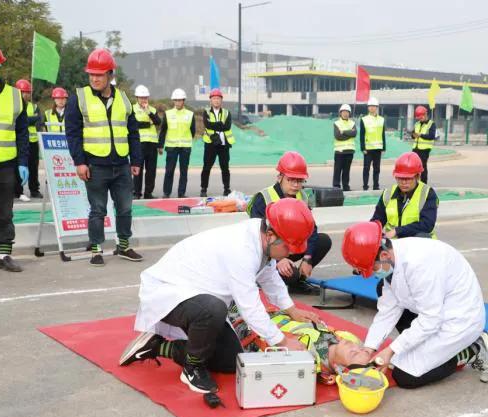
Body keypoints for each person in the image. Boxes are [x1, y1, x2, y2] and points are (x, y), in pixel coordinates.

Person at [122, 198, 321, 394]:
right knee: (213, 309)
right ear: (270, 235)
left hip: (199, 295)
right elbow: (249, 306)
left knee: (230, 360)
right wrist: (283, 343)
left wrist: (292, 311)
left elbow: (269, 276)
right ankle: (192, 369)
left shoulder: (263, 239)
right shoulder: (242, 249)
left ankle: (158, 346)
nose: (288, 254)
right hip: (168, 291)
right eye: (287, 247)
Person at [341, 221, 488, 388]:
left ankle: (471, 350)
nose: (373, 273)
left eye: (372, 269)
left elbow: (431, 319)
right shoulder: (392, 258)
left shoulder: (421, 264)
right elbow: (388, 310)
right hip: (434, 309)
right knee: (397, 355)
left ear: (384, 256)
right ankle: (429, 348)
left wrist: (391, 350)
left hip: (459, 319)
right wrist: (369, 348)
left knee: (405, 376)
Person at [122, 303, 371, 386]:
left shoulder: (310, 364)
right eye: (361, 350)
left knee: (222, 361)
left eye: (355, 356)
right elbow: (371, 355)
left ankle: (157, 347)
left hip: (244, 332)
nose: (357, 349)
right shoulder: (346, 337)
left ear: (340, 370)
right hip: (255, 314)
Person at [65, 48, 144, 266]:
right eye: (91, 74)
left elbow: (133, 132)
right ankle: (96, 249)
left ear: (110, 74)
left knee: (126, 208)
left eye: (99, 74)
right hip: (95, 165)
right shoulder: (78, 98)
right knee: (97, 210)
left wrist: (136, 161)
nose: (94, 78)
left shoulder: (124, 99)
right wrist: (79, 162)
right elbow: (72, 133)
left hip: (121, 164)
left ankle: (124, 245)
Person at [247, 151, 332, 294]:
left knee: (323, 241)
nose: (295, 185)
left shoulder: (302, 196)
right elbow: (258, 236)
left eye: (299, 181)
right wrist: (278, 259)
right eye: (291, 180)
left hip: (288, 247)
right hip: (267, 252)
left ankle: (298, 282)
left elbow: (311, 229)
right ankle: (261, 277)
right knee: (290, 275)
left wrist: (308, 258)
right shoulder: (264, 198)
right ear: (280, 177)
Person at [0, 42, 29, 272]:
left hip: (5, 165)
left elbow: (22, 132)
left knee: (5, 213)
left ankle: (4, 255)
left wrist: (23, 162)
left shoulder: (15, 97)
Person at [371, 152, 438, 239]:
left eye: (408, 178)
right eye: (400, 178)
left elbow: (427, 225)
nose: (403, 182)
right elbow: (377, 220)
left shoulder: (427, 193)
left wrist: (397, 231)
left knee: (422, 235)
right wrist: (370, 231)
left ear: (417, 176)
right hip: (394, 246)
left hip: (418, 245)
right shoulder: (388, 194)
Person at [158, 88, 194, 198]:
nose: (178, 102)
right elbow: (163, 130)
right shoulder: (168, 114)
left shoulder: (190, 114)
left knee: (184, 172)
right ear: (173, 101)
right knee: (169, 171)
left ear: (184, 101)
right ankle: (166, 192)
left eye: (180, 100)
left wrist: (186, 139)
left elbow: (192, 131)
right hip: (171, 147)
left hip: (185, 147)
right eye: (176, 100)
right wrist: (160, 145)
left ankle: (181, 193)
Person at [200, 88, 234, 197]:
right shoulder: (206, 112)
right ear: (210, 100)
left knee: (225, 167)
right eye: (214, 98)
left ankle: (226, 189)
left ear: (221, 100)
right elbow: (207, 125)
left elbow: (227, 126)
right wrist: (220, 125)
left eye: (218, 98)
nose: (216, 100)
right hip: (210, 143)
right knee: (206, 167)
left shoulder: (227, 113)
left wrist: (216, 124)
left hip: (224, 144)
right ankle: (203, 189)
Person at [14, 79, 42, 200]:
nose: (25, 94)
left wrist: (30, 121)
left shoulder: (34, 106)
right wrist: (30, 120)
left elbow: (39, 120)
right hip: (19, 142)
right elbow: (19, 122)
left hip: (33, 142)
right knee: (18, 166)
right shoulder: (14, 106)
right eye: (23, 92)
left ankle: (34, 190)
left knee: (33, 167)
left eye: (27, 92)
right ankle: (18, 191)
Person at [131, 85, 160, 199]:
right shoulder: (132, 109)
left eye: (145, 97)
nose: (144, 100)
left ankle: (148, 193)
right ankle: (136, 193)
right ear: (137, 98)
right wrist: (148, 124)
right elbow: (135, 124)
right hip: (139, 143)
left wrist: (148, 112)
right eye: (141, 98)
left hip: (152, 143)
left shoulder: (152, 109)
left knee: (151, 170)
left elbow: (158, 121)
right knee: (138, 168)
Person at [359, 97, 385, 191]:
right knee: (366, 168)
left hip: (378, 148)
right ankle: (365, 186)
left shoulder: (382, 119)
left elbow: (382, 134)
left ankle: (376, 186)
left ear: (377, 107)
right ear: (368, 108)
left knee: (377, 169)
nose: (372, 108)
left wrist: (384, 147)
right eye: (370, 106)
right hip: (368, 149)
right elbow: (361, 134)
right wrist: (363, 148)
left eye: (374, 106)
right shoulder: (364, 119)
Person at [332, 103, 356, 191]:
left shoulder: (352, 123)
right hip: (339, 151)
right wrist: (349, 132)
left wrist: (343, 132)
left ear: (349, 113)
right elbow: (338, 136)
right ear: (340, 113)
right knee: (337, 170)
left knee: (346, 171)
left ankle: (346, 186)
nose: (345, 113)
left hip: (350, 151)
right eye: (344, 112)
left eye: (347, 112)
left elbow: (354, 133)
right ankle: (336, 187)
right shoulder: (337, 123)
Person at [411, 105, 435, 183]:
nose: (420, 119)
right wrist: (413, 135)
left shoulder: (431, 124)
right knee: (414, 167)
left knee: (422, 167)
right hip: (415, 148)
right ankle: (415, 182)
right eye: (418, 118)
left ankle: (424, 183)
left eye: (421, 117)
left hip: (425, 149)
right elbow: (413, 134)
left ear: (425, 115)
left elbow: (431, 136)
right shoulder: (417, 124)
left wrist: (421, 135)